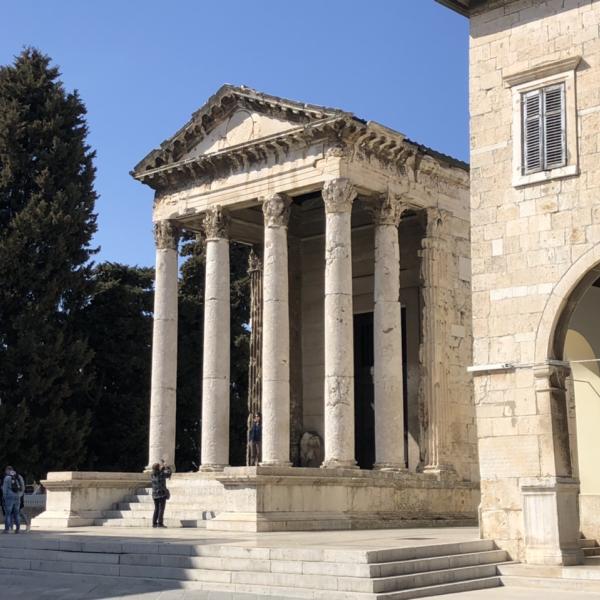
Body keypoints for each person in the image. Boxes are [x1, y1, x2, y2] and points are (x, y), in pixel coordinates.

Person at [2, 466, 24, 534]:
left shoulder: (7, 477)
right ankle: (18, 530)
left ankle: (7, 530)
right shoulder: (19, 476)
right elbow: (23, 486)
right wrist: (20, 494)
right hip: (17, 496)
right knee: (17, 514)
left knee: (8, 514)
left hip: (9, 497)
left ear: (8, 470)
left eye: (6, 471)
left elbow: (4, 489)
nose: (5, 472)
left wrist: (4, 497)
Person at [150, 461, 171, 528]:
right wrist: (166, 467)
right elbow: (169, 473)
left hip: (154, 494)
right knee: (161, 509)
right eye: (159, 466)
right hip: (161, 494)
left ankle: (154, 523)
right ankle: (160, 523)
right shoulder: (161, 474)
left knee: (156, 509)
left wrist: (162, 468)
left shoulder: (152, 474)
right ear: (158, 468)